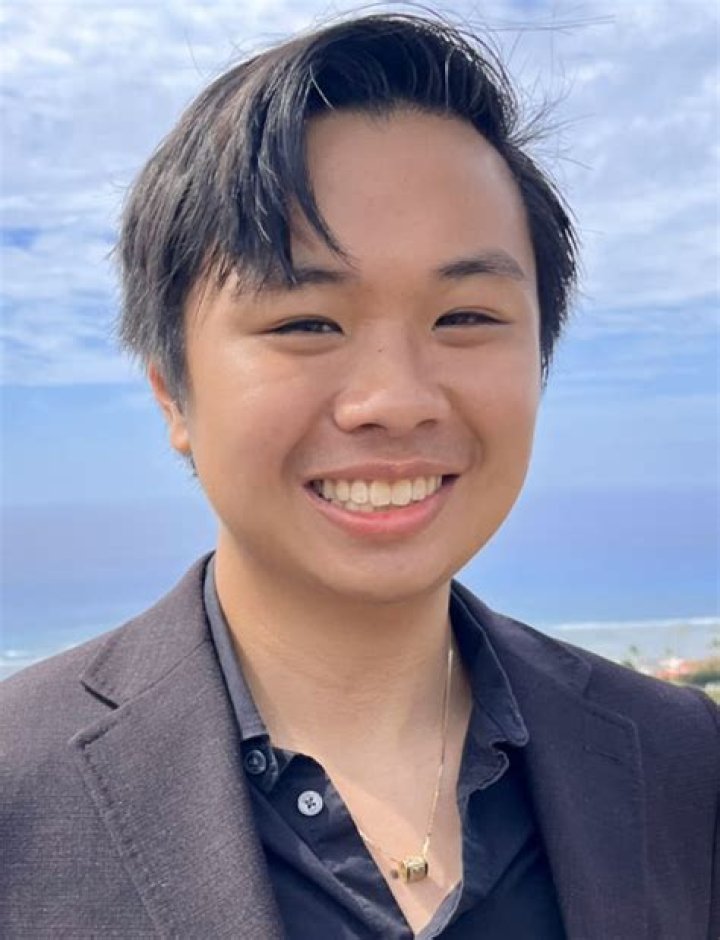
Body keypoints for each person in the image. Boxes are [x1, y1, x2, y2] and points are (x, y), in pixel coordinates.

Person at [1, 12, 717, 939]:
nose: (396, 400)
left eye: (465, 317)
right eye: (306, 323)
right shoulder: (21, 790)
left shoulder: (680, 761)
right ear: (173, 393)